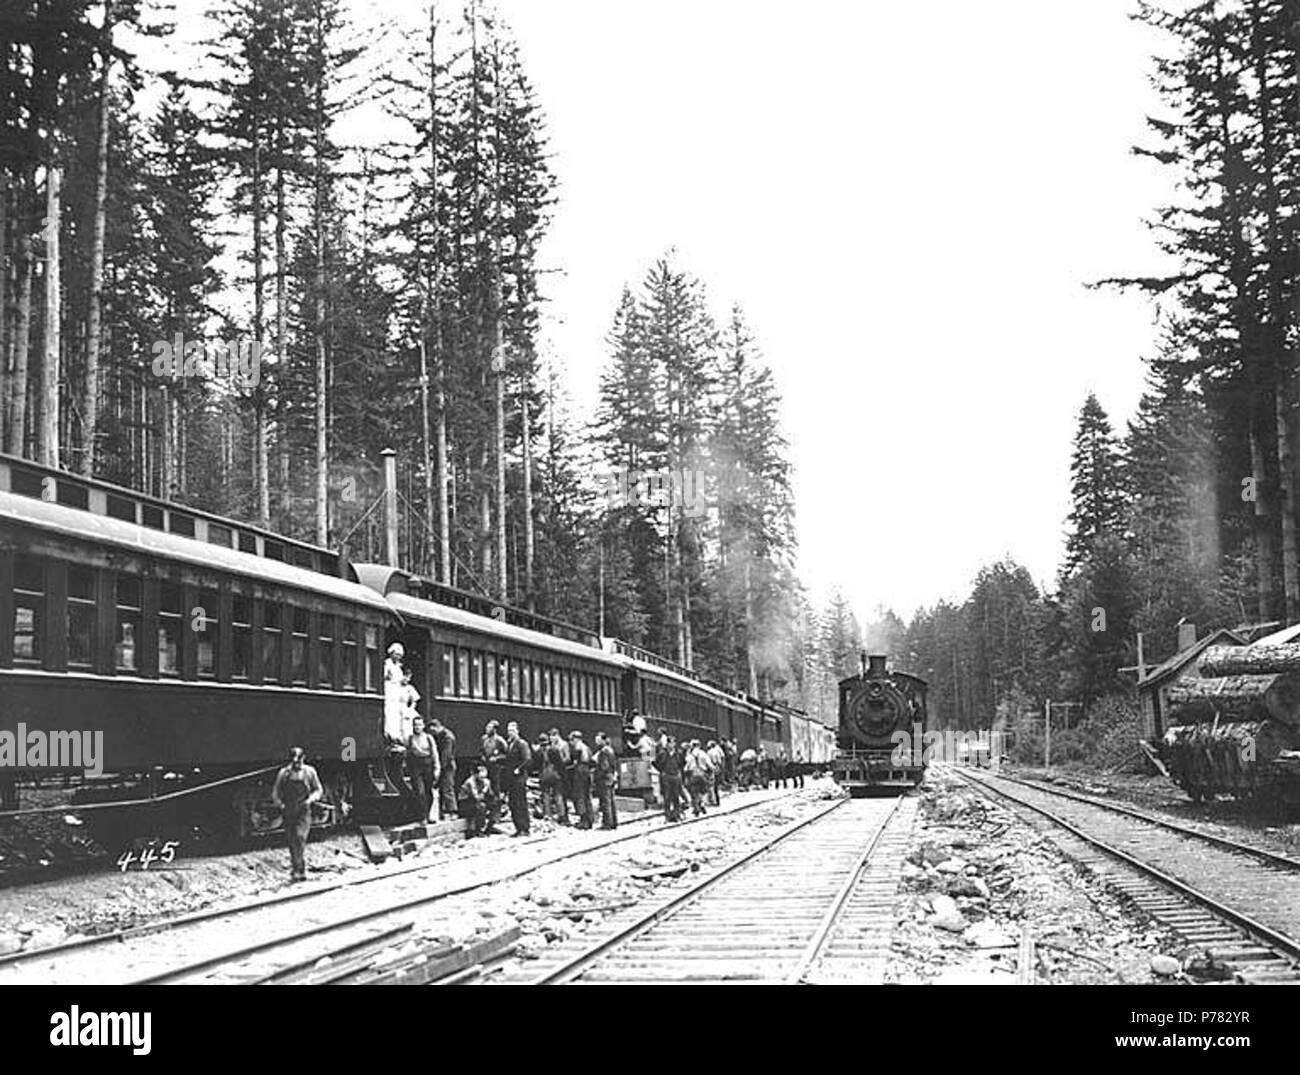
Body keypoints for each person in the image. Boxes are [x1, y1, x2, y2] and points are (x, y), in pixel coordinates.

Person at [271, 747, 323, 882]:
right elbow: (276, 792)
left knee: (300, 837)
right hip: (288, 809)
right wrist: (280, 804)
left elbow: (318, 790)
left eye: (298, 760)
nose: (296, 764)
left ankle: (299, 868)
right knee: (291, 839)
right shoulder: (284, 773)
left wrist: (311, 800)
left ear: (303, 759)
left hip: (303, 810)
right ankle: (297, 869)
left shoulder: (310, 772)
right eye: (293, 761)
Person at [406, 716, 440, 822]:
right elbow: (408, 751)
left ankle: (429, 814)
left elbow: (435, 753)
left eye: (419, 725)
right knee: (419, 791)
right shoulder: (410, 738)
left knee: (428, 791)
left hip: (427, 764)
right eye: (415, 725)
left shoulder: (428, 737)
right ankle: (422, 816)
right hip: (416, 766)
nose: (417, 727)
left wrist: (436, 768)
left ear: (423, 726)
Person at [503, 721, 532, 837]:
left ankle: (524, 828)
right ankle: (518, 827)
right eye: (509, 731)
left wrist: (519, 769)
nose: (510, 733)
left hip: (519, 777)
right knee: (513, 802)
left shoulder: (522, 744)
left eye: (512, 731)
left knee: (520, 802)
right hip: (511, 778)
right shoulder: (510, 744)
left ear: (517, 731)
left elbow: (527, 759)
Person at [459, 763, 498, 838]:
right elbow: (476, 797)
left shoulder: (485, 781)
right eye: (481, 777)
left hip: (477, 801)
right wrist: (485, 789)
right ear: (475, 774)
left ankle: (489, 826)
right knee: (481, 806)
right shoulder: (470, 782)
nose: (482, 779)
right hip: (466, 803)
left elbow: (491, 795)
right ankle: (478, 829)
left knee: (494, 804)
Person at [540, 729, 570, 825]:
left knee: (546, 795)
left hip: (544, 775)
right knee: (558, 795)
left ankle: (548, 815)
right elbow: (560, 763)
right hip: (555, 774)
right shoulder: (554, 749)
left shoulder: (539, 751)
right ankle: (561, 816)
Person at [431, 716, 457, 818]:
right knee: (443, 789)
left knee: (447, 788)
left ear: (438, 727)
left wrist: (439, 769)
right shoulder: (441, 735)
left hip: (447, 766)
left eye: (434, 730)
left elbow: (446, 755)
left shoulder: (447, 737)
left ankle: (452, 811)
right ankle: (441, 812)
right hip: (443, 765)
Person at [480, 720, 507, 818]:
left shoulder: (499, 740)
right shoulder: (484, 739)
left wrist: (497, 758)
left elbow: (506, 754)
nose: (487, 729)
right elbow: (481, 750)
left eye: (489, 728)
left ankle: (496, 813)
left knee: (496, 789)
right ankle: (488, 809)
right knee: (486, 788)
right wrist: (482, 756)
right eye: (487, 727)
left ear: (495, 729)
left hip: (496, 768)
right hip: (486, 766)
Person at [653, 734, 683, 823]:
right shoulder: (662, 753)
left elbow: (682, 763)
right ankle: (667, 816)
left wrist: (678, 771)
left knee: (676, 796)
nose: (672, 745)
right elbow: (654, 761)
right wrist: (661, 770)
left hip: (675, 776)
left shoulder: (678, 753)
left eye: (673, 743)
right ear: (667, 744)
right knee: (667, 797)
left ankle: (676, 815)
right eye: (670, 743)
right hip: (666, 776)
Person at [567, 731, 594, 829]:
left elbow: (574, 761)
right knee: (587, 796)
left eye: (572, 740)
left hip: (580, 772)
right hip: (586, 772)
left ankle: (584, 821)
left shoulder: (578, 748)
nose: (571, 742)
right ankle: (590, 819)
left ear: (576, 739)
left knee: (580, 795)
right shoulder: (587, 747)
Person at [593, 731, 618, 830]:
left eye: (598, 740)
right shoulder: (610, 750)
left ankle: (607, 823)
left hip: (604, 778)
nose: (596, 742)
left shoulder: (603, 751)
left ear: (603, 740)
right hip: (610, 777)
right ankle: (613, 822)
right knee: (611, 801)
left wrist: (597, 776)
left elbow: (604, 766)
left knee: (605, 801)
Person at [684, 739, 713, 817]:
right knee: (703, 790)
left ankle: (696, 807)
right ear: (699, 745)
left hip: (693, 775)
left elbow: (686, 768)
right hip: (702, 774)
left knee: (693, 792)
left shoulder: (689, 755)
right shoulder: (703, 753)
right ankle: (701, 803)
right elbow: (709, 765)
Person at [707, 740, 725, 805]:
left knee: (711, 784)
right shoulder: (717, 751)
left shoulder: (709, 752)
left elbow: (708, 761)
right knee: (716, 784)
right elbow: (720, 761)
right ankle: (717, 800)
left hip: (711, 767)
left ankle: (712, 800)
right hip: (717, 766)